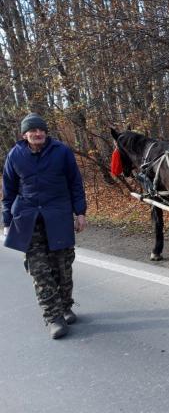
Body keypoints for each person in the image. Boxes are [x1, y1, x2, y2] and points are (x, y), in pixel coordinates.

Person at [2, 113, 87, 339]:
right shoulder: (15, 155)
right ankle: (53, 317)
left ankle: (65, 305)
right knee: (39, 270)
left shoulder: (62, 152)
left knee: (63, 267)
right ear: (24, 134)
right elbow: (8, 191)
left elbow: (75, 183)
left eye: (41, 130)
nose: (38, 133)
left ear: (46, 132)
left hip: (58, 216)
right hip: (28, 219)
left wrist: (80, 213)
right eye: (33, 131)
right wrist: (6, 221)